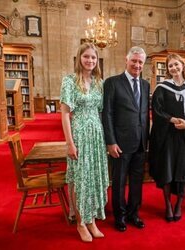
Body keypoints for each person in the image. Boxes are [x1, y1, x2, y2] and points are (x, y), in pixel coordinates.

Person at [60, 43, 109, 242]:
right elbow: (65, 114)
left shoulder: (99, 82)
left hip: (96, 135)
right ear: (79, 58)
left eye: (93, 58)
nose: (90, 60)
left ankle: (92, 220)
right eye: (86, 56)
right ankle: (80, 222)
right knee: (79, 179)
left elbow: (102, 111)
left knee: (93, 178)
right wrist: (70, 143)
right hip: (79, 134)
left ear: (97, 61)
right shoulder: (69, 81)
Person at [149, 53, 185, 222]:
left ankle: (179, 204)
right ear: (167, 69)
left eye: (176, 64)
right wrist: (171, 120)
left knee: (184, 171)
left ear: (183, 65)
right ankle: (168, 205)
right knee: (168, 170)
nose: (174, 68)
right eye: (170, 66)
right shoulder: (162, 87)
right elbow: (156, 110)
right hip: (167, 135)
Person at [102, 46, 150, 232]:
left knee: (137, 182)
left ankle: (133, 213)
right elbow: (107, 114)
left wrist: (147, 141)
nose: (137, 65)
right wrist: (110, 141)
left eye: (140, 62)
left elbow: (144, 113)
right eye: (134, 61)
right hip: (120, 143)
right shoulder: (112, 83)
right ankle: (120, 216)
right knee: (120, 181)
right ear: (126, 60)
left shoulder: (145, 85)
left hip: (140, 143)